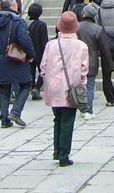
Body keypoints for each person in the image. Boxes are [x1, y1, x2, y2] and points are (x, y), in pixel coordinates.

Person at [40, 12, 89, 166]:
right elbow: (84, 69)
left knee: (57, 119)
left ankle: (56, 150)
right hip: (71, 87)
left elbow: (43, 66)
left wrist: (47, 80)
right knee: (68, 121)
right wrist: (82, 84)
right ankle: (63, 155)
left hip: (53, 87)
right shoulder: (81, 46)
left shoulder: (51, 44)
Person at [0, 0, 37, 128]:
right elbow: (24, 39)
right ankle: (16, 111)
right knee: (26, 85)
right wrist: (31, 54)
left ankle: (4, 119)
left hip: (1, 58)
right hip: (16, 58)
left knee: (4, 89)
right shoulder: (17, 21)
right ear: (12, 7)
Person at [76, 5, 114, 116]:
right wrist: (109, 64)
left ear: (83, 14)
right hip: (91, 61)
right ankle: (88, 109)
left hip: (77, 60)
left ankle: (80, 107)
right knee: (90, 86)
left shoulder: (77, 27)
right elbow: (104, 48)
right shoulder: (97, 29)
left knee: (78, 85)